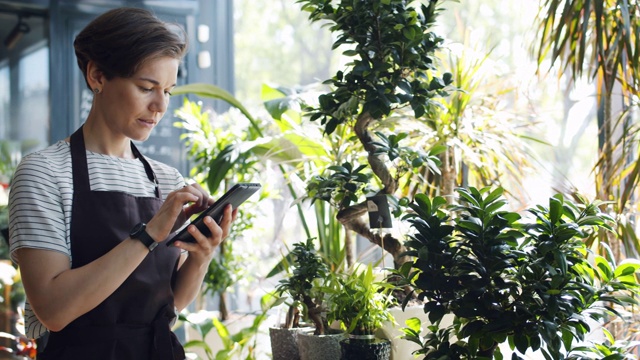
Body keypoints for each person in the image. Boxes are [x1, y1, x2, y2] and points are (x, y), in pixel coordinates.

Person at [8, 7, 237, 360]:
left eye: (169, 91)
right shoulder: (43, 172)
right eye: (147, 87)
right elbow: (53, 311)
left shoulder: (166, 181)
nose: (160, 106)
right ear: (97, 75)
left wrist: (201, 257)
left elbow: (170, 303)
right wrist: (148, 234)